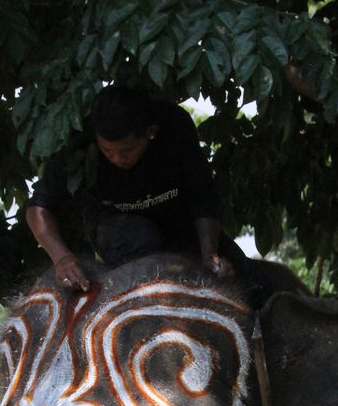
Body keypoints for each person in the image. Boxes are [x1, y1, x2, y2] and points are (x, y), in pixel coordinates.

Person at [26, 85, 246, 291]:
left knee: (248, 277)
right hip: (115, 229)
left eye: (127, 150)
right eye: (107, 151)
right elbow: (38, 208)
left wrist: (210, 256)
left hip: (176, 224)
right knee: (142, 239)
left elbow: (203, 196)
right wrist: (62, 258)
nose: (117, 159)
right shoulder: (78, 143)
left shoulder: (175, 127)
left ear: (151, 132)